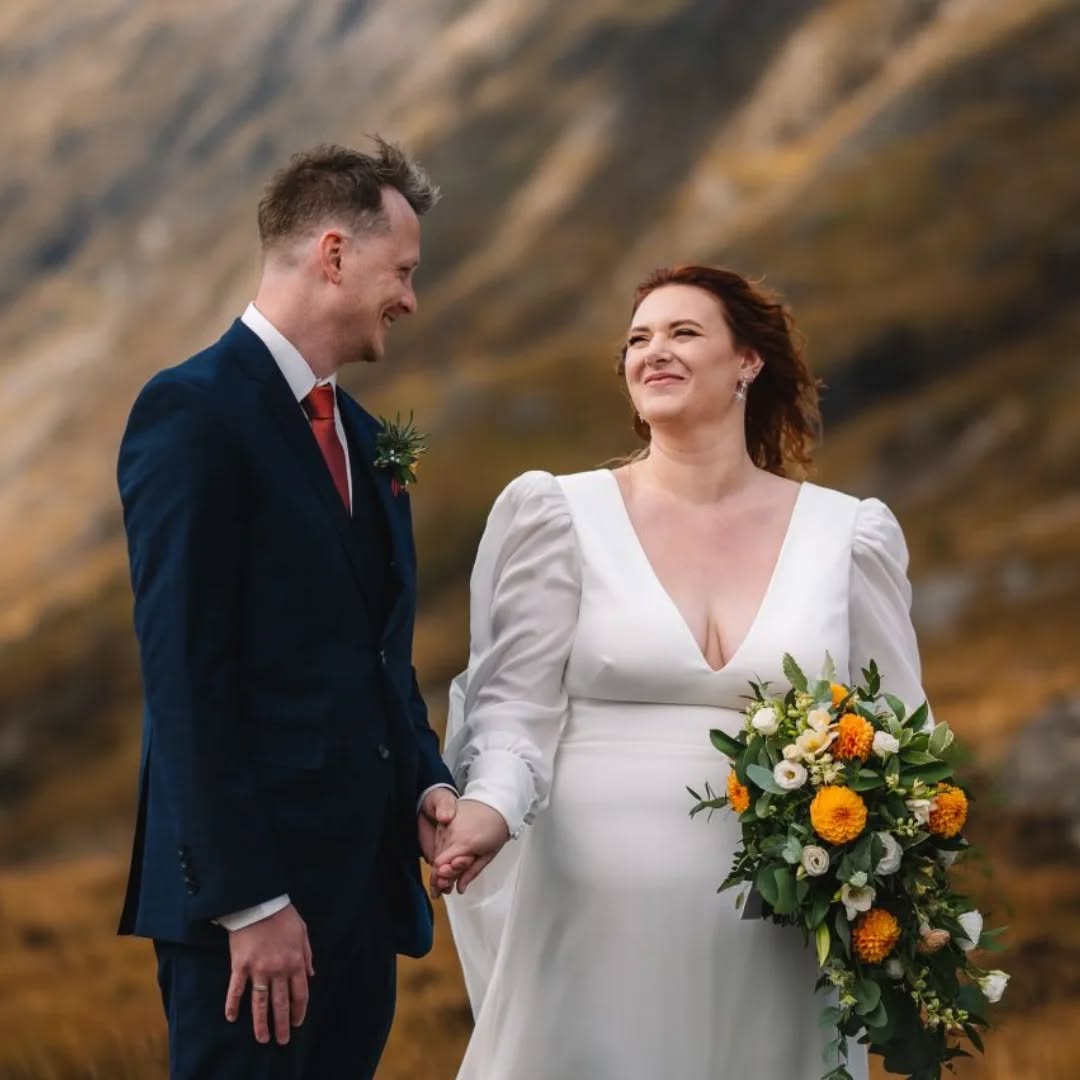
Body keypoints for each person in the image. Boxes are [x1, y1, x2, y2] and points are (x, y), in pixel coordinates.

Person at [434, 264, 931, 1079]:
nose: (651, 351)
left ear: (748, 363)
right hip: (591, 913)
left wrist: (908, 908)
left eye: (682, 332)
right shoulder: (560, 516)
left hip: (779, 926)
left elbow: (901, 739)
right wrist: (489, 806)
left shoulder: (848, 536)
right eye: (637, 339)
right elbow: (511, 709)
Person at [116, 139, 461, 1080]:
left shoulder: (366, 437)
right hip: (252, 923)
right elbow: (187, 674)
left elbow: (381, 658)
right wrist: (251, 903)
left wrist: (427, 783)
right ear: (335, 254)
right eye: (404, 271)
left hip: (363, 906)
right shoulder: (189, 412)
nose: (411, 299)